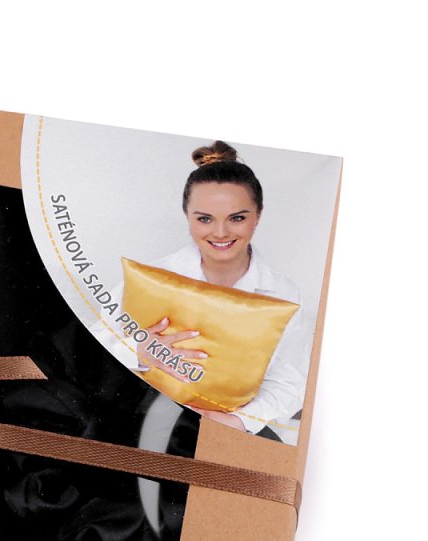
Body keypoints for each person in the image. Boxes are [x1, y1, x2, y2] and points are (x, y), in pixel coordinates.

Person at [93, 141, 311, 436]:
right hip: (143, 416)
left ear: (257, 216)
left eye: (237, 218)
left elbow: (289, 381)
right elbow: (91, 349)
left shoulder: (284, 294)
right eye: (205, 218)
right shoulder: (152, 279)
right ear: (188, 216)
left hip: (229, 427)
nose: (220, 233)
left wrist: (239, 421)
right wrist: (139, 353)